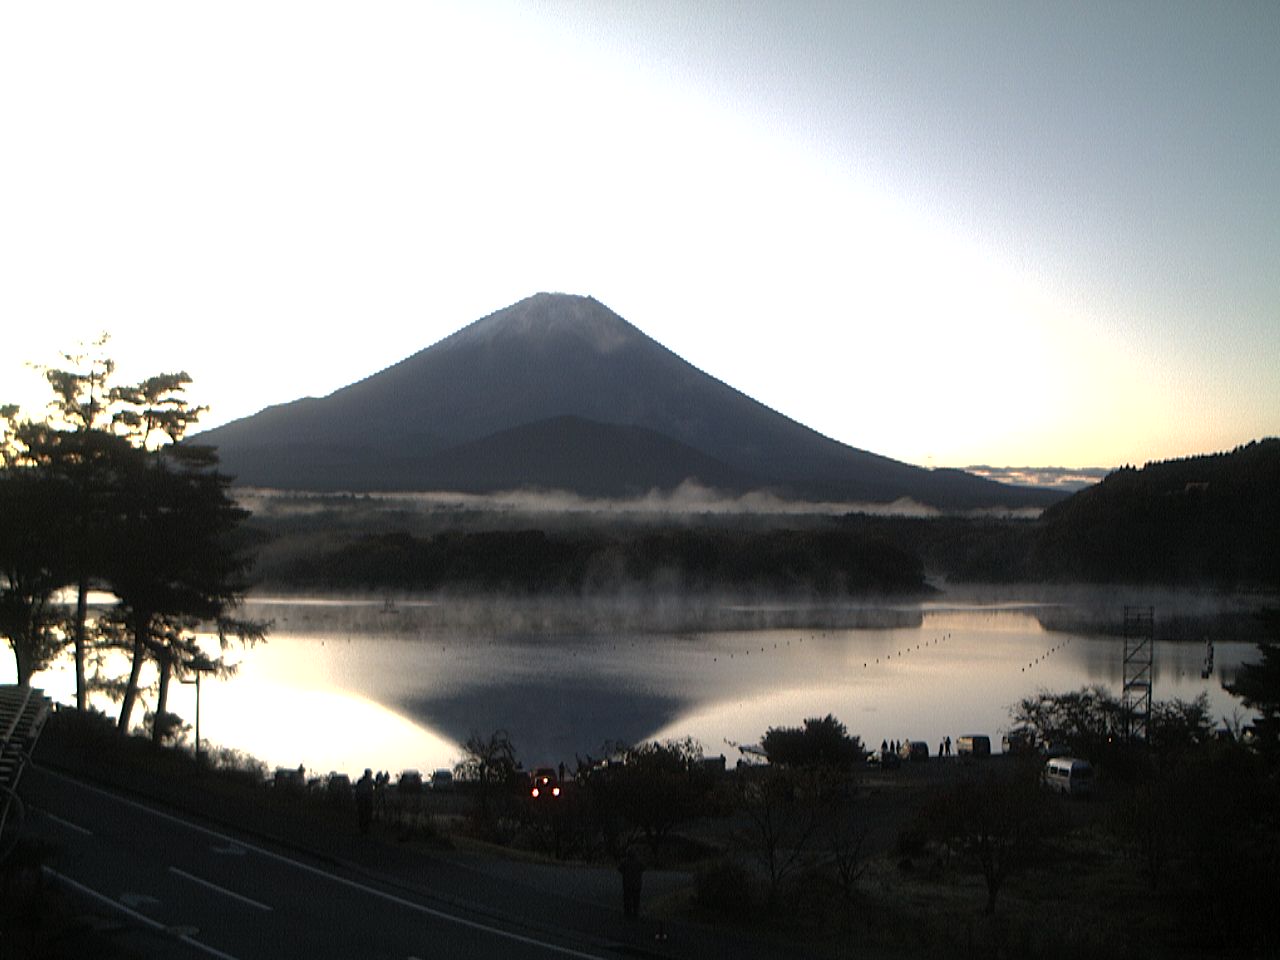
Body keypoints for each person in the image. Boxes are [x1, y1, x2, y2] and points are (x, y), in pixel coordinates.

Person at [619, 848, 644, 920]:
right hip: (637, 884)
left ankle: (627, 912)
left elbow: (619, 869)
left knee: (627, 899)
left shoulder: (625, 862)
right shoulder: (639, 862)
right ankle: (636, 912)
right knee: (636, 899)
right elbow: (644, 868)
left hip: (627, 884)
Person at [355, 768, 375, 835]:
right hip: (365, 801)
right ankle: (365, 829)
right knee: (365, 815)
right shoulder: (369, 781)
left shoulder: (361, 781)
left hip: (363, 801)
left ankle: (364, 829)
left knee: (363, 815)